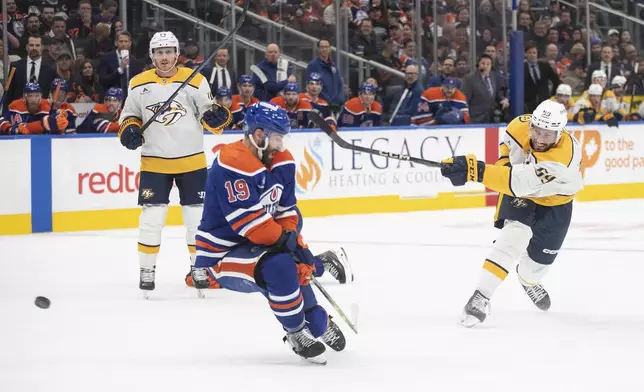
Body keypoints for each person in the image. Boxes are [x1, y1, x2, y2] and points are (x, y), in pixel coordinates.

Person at [190, 103, 347, 364]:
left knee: (292, 258)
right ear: (259, 135)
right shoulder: (233, 162)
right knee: (281, 265)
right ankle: (297, 331)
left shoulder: (281, 160)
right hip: (224, 252)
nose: (281, 144)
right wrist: (291, 245)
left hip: (260, 240)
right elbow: (249, 224)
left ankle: (317, 318)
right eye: (276, 137)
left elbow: (287, 210)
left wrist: (294, 240)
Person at [440, 99, 583, 327]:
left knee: (534, 270)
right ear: (531, 124)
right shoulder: (519, 125)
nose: (539, 138)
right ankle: (480, 296)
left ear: (560, 132)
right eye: (537, 131)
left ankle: (528, 281)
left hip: (555, 203)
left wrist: (473, 170)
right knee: (512, 239)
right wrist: (504, 161)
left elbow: (519, 181)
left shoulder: (562, 157)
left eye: (548, 134)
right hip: (521, 193)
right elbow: (508, 147)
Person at [117, 31, 232, 298]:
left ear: (177, 54)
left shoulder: (196, 80)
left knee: (196, 219)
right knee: (151, 219)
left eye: (169, 51)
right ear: (152, 55)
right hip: (155, 163)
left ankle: (199, 268)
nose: (164, 57)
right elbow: (129, 116)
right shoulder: (138, 83)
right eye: (159, 52)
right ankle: (147, 270)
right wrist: (129, 130)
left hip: (191, 161)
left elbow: (208, 115)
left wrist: (216, 117)